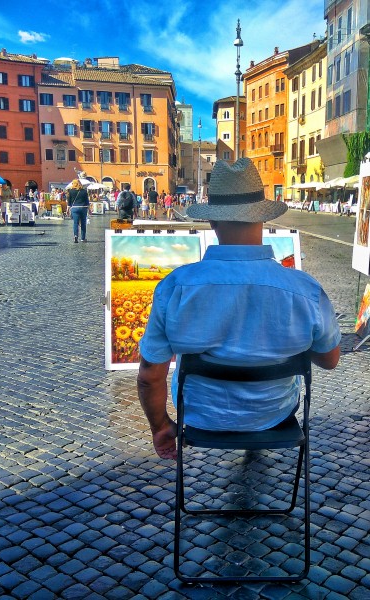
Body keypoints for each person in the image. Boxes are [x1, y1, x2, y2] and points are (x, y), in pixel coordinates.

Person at [137, 157, 341, 460]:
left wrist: (160, 427)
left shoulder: (175, 287)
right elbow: (329, 360)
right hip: (275, 414)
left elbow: (150, 375)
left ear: (212, 221)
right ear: (263, 218)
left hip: (200, 416)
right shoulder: (304, 289)